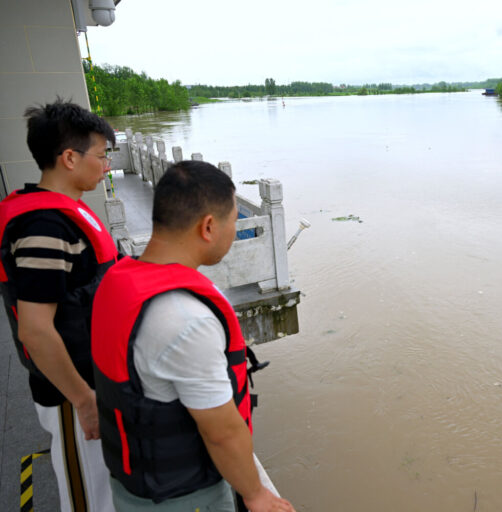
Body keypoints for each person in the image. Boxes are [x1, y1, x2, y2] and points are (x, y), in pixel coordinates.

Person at [91, 161, 296, 512]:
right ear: (209, 227)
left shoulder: (117, 281)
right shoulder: (187, 321)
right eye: (234, 221)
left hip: (132, 487)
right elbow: (221, 432)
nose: (234, 231)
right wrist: (256, 494)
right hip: (184, 497)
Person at [0, 99, 118, 511]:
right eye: (102, 156)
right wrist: (84, 400)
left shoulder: (65, 215)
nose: (106, 166)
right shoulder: (43, 228)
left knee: (105, 484)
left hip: (93, 377)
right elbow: (34, 329)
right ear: (70, 157)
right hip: (72, 390)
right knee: (89, 495)